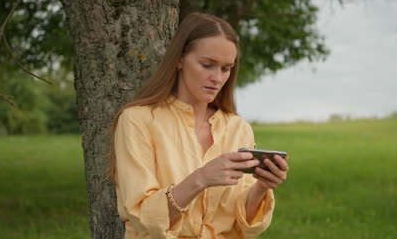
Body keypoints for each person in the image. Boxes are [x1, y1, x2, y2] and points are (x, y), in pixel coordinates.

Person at [108, 12, 289, 239]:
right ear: (180, 59)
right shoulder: (137, 120)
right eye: (207, 65)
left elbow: (241, 226)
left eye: (226, 68)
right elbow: (143, 216)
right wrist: (202, 178)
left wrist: (262, 186)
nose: (217, 78)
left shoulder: (238, 128)